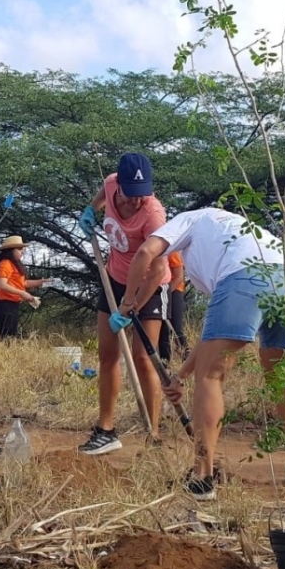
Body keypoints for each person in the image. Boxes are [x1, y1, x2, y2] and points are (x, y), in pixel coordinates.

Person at [119, 207, 285, 500]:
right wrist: (180, 377)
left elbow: (146, 253)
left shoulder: (187, 221)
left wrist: (127, 304)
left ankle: (202, 476)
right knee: (281, 378)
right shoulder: (229, 231)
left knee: (211, 376)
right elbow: (212, 341)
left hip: (246, 275)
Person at [76, 152, 170, 455]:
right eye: (131, 195)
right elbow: (103, 194)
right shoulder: (112, 182)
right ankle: (106, 430)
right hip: (115, 278)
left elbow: (156, 269)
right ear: (121, 185)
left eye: (143, 195)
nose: (136, 202)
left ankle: (152, 433)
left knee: (143, 359)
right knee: (108, 354)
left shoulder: (154, 214)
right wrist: (92, 210)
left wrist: (132, 307)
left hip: (148, 286)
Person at [0, 235, 51, 339]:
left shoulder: (14, 264)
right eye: (19, 249)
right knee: (7, 336)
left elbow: (24, 283)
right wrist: (22, 293)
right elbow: (2, 284)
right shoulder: (5, 264)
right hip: (4, 304)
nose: (22, 251)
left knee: (10, 335)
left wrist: (42, 281)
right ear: (10, 251)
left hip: (12, 304)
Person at [158, 250, 189, 362]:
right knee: (162, 329)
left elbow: (179, 276)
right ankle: (164, 362)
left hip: (174, 290)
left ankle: (187, 359)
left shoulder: (171, 251)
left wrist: (167, 292)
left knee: (176, 328)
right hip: (158, 291)